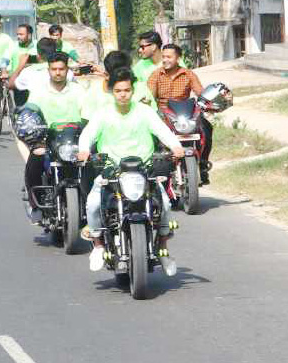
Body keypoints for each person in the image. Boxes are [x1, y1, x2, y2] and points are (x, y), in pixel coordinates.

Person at [78, 69, 184, 276]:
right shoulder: (103, 113)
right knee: (92, 204)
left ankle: (163, 249)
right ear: (112, 92)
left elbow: (162, 131)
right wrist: (83, 150)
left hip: (143, 169)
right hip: (112, 169)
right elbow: (88, 134)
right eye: (118, 90)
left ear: (133, 90)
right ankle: (98, 246)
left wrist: (176, 146)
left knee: (164, 203)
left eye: (127, 90)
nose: (123, 94)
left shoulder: (144, 111)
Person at [20, 52, 91, 221]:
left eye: (61, 69)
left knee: (93, 164)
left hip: (74, 140)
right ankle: (35, 203)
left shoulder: (78, 90)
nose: (58, 72)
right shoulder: (38, 92)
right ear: (49, 70)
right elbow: (30, 113)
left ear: (67, 70)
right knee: (34, 162)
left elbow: (88, 114)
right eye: (54, 69)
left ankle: (92, 204)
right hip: (47, 139)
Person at [147, 43, 220, 183]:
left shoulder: (188, 74)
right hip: (163, 114)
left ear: (178, 58)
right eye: (163, 57)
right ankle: (154, 168)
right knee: (151, 135)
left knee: (206, 128)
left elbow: (200, 92)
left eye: (169, 56)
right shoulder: (156, 75)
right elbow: (149, 94)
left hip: (185, 114)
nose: (165, 60)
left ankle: (203, 164)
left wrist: (210, 101)